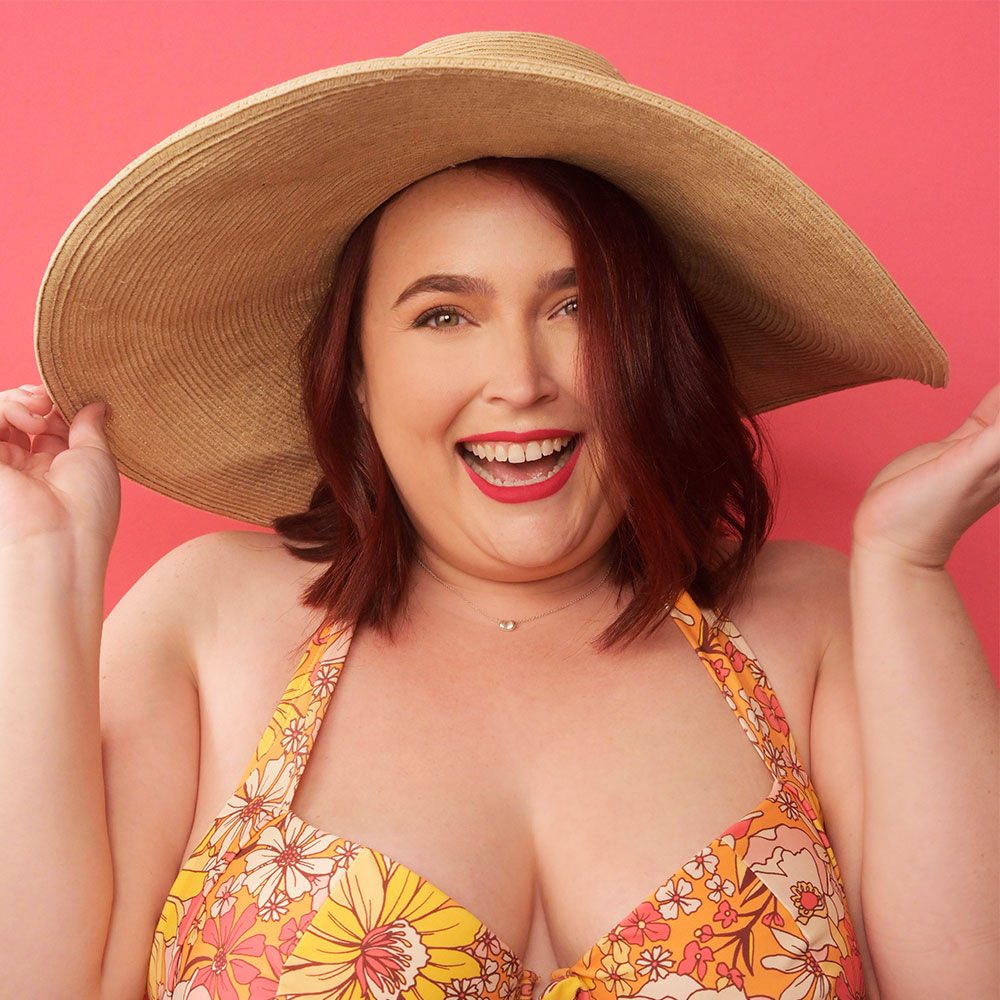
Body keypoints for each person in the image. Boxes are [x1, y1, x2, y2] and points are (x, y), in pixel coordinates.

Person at [2, 30, 996, 1000]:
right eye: (444, 315)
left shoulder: (820, 622)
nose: (519, 381)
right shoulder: (210, 620)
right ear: (353, 374)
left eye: (580, 307)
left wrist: (906, 564)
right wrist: (37, 571)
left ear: (656, 354)